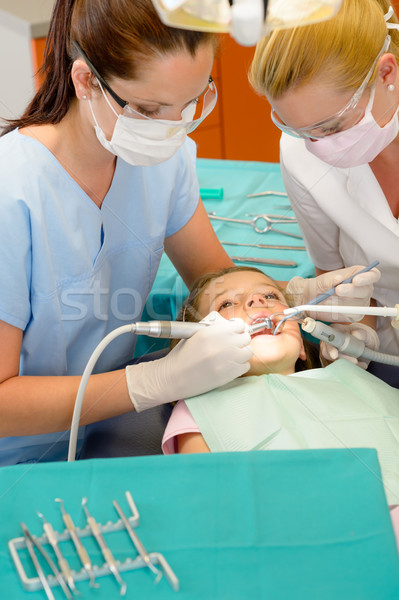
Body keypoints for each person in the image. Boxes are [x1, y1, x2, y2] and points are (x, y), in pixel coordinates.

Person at [0, 0, 379, 465]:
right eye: (149, 108)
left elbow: (218, 283)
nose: (173, 128)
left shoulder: (164, 159)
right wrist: (154, 381)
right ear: (85, 82)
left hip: (108, 433)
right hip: (19, 457)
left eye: (191, 102)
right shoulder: (12, 193)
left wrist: (292, 295)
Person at [249, 0, 399, 383]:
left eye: (331, 127)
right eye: (298, 128)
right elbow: (338, 280)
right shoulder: (299, 151)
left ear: (386, 74)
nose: (318, 146)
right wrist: (352, 335)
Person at [161, 266, 399, 506]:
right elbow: (208, 504)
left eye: (272, 296)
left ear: (302, 349)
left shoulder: (351, 380)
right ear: (196, 354)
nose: (257, 300)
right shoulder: (200, 411)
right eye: (226, 304)